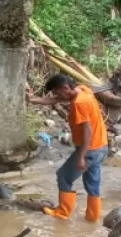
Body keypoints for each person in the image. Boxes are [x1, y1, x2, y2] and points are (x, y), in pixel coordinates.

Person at [27, 73, 108, 222]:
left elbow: (87, 130)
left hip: (89, 149)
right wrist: (33, 99)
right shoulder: (83, 90)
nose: (57, 96)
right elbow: (55, 99)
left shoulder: (79, 104)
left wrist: (82, 156)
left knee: (63, 176)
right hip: (101, 145)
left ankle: (63, 213)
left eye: (57, 92)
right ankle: (92, 217)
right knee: (92, 182)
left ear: (65, 88)